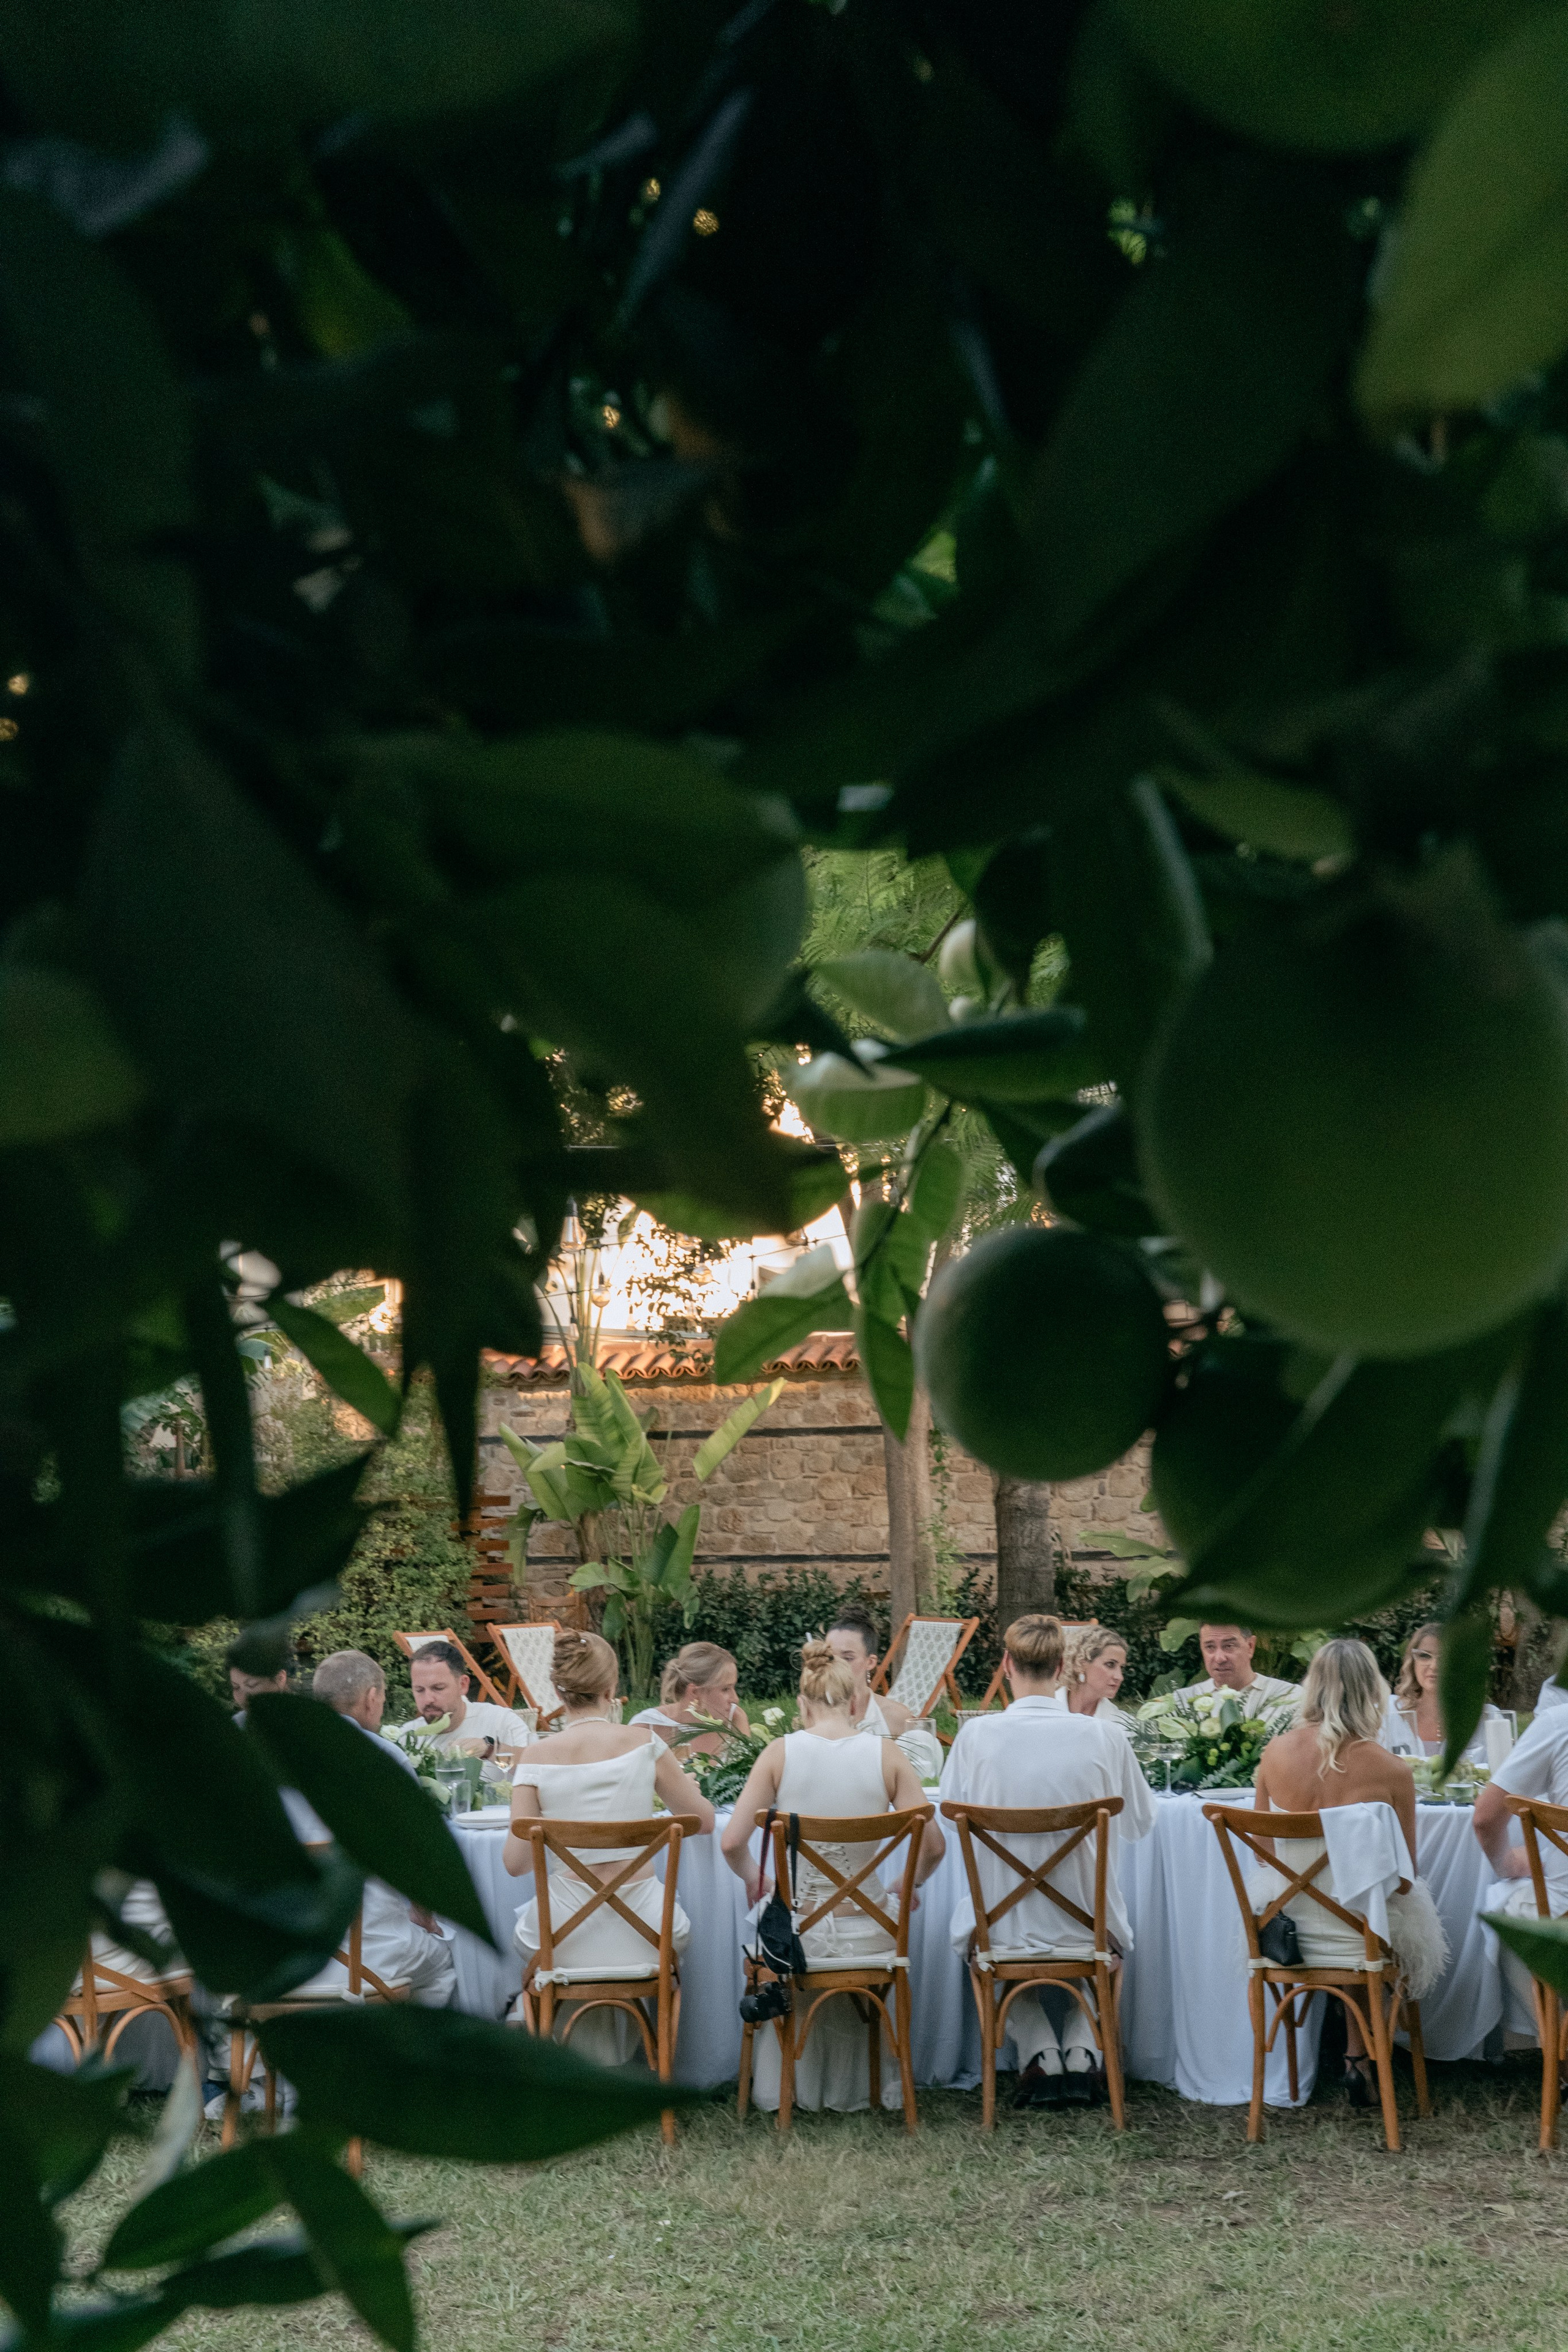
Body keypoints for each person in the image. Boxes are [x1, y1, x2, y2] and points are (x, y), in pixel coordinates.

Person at [721, 1637, 944, 2113]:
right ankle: (867, 2085)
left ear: (801, 1705)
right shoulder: (888, 1755)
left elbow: (730, 1842)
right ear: (857, 1703)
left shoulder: (779, 1754)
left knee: (767, 1925)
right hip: (874, 1934)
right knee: (878, 1912)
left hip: (799, 1935)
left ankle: (786, 2090)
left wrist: (758, 1879)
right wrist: (910, 1885)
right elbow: (935, 1844)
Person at [941, 1613, 1153, 2106]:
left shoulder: (975, 1737)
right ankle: (1081, 2048)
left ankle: (1040, 2050)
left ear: (1007, 1666)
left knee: (970, 1937)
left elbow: (951, 1820)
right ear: (1062, 1667)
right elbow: (1141, 1824)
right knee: (1116, 1947)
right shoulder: (1105, 1737)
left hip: (1000, 1929)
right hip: (1090, 1928)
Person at [507, 1630, 714, 2067]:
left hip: (561, 1937)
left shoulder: (534, 1757)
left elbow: (515, 1863)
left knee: (528, 1933)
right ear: (611, 1689)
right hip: (648, 1932)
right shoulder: (644, 1745)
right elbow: (704, 1821)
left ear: (559, 1691)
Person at [1254, 1638, 1445, 2106]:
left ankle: (1352, 2056)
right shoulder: (1392, 1770)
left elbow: (1262, 1851)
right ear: (1371, 1692)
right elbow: (1404, 1876)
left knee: (1354, 1909)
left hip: (1291, 1927)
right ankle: (1361, 2058)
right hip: (1361, 1931)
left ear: (1312, 1688)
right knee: (1375, 1910)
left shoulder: (1274, 1754)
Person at [290, 1650, 456, 2006]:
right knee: (444, 1964)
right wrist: (424, 1915)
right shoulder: (382, 1759)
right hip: (369, 1953)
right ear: (371, 1698)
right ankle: (406, 2060)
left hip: (284, 1957)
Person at [1474, 1681, 1568, 2048]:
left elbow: (1485, 1819)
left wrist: (1505, 1864)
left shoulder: (1558, 1724)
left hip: (1562, 1916)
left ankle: (1559, 2054)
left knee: (1505, 1908)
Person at [824, 1605, 944, 1782]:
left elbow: (922, 1779)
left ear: (870, 1662)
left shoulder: (895, 1716)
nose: (837, 1665)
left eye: (848, 1658)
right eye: (830, 1657)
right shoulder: (816, 1713)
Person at [1382, 1621, 1514, 1768]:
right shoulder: (1389, 1711)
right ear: (1413, 1662)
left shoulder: (1489, 1718)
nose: (1434, 1666)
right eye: (1425, 1656)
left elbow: (1507, 1777)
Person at [391, 1639, 534, 1758]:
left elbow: (538, 1767)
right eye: (419, 1690)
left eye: (438, 1688)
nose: (428, 1699)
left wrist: (490, 1750)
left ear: (463, 1685)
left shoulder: (500, 1721)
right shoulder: (407, 1736)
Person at [629, 1642, 751, 1759]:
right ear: (694, 1692)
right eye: (725, 1689)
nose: (735, 1699)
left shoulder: (735, 1719)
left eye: (733, 1687)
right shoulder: (646, 1727)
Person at [1180, 1623, 1302, 1716]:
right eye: (1210, 1647)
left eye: (1229, 1646)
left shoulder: (1290, 1697)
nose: (1220, 1658)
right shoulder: (1183, 1702)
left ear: (1250, 1646)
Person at [1061, 1624, 1136, 1727]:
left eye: (1122, 1668)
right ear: (1080, 1664)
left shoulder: (1124, 1727)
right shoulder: (1043, 1709)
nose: (1120, 1677)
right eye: (1110, 1665)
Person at [227, 1627, 293, 1722]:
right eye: (236, 1687)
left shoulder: (306, 1721)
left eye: (252, 1685)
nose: (243, 1697)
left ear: (280, 1678)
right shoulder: (237, 1725)